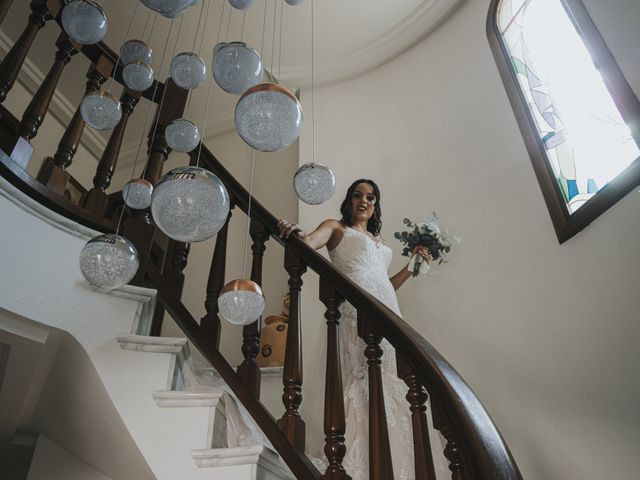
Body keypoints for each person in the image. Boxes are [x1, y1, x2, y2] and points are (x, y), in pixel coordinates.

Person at [278, 179, 433, 480]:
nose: (364, 201)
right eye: (358, 196)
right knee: (360, 384)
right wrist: (296, 233)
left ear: (376, 206)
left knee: (393, 385)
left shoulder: (379, 243)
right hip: (354, 318)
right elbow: (309, 243)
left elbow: (385, 285)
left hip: (389, 318)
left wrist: (411, 267)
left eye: (371, 198)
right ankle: (356, 462)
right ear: (349, 201)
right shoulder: (336, 228)